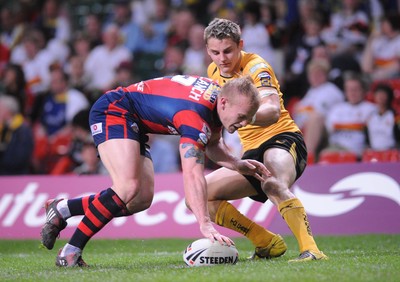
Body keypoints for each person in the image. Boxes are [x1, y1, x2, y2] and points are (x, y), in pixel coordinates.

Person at [40, 74, 270, 267]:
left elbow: (212, 145)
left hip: (134, 121)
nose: (245, 124)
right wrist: (204, 223)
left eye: (249, 118)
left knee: (139, 200)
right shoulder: (194, 117)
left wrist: (236, 163)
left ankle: (62, 209)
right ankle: (70, 252)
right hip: (113, 111)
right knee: (127, 187)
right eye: (242, 117)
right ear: (224, 104)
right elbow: (192, 173)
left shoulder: (219, 101)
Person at [201, 18, 328, 262]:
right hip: (250, 153)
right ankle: (266, 242)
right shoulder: (212, 71)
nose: (222, 58)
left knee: (272, 182)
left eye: (228, 51)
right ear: (208, 50)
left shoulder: (256, 67)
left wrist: (242, 118)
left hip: (282, 139)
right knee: (198, 195)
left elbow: (272, 111)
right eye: (215, 52)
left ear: (241, 45)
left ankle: (312, 250)